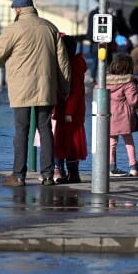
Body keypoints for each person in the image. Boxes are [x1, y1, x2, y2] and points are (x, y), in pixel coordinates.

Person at [0, 0, 71, 187]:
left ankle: (19, 175)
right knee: (45, 130)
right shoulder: (50, 28)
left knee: (22, 131)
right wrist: (64, 89)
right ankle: (48, 175)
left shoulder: (13, 30)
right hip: (46, 87)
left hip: (22, 89)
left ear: (17, 10)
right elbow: (63, 63)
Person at [52, 35, 87, 184]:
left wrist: (68, 112)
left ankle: (69, 174)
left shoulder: (69, 66)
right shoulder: (77, 64)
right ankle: (73, 174)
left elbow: (74, 92)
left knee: (66, 144)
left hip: (67, 113)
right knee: (72, 144)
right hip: (73, 112)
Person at [105, 54, 138, 177]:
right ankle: (133, 167)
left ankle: (111, 167)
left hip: (109, 115)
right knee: (129, 141)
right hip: (124, 116)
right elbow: (133, 101)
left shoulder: (106, 80)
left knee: (111, 143)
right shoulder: (128, 83)